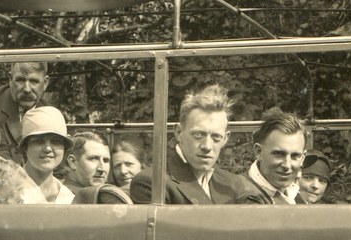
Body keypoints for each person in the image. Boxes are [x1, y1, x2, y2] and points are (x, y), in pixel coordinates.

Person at [130, 84, 268, 204]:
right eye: (198, 135)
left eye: (216, 137)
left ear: (226, 139)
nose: (207, 146)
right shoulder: (152, 182)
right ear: (178, 132)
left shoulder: (234, 184)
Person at [0, 62, 50, 161]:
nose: (27, 89)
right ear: (10, 79)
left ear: (45, 83)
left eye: (34, 81)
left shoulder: (49, 115)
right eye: (20, 80)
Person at [243, 108, 306, 204]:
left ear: (303, 157)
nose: (287, 165)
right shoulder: (241, 196)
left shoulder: (295, 192)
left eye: (295, 155)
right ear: (258, 152)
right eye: (279, 154)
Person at [18, 106, 75, 204]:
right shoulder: (7, 191)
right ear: (25, 147)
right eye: (39, 141)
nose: (48, 148)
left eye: (56, 141)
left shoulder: (68, 198)